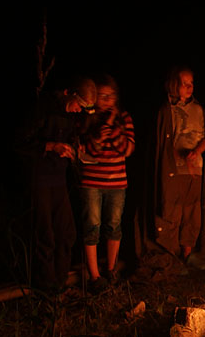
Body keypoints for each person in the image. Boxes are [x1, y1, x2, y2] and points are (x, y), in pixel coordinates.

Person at [19, 76, 96, 292]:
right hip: (39, 177)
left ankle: (60, 282)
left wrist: (75, 147)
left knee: (66, 231)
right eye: (77, 106)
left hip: (58, 178)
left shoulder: (69, 115)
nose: (77, 111)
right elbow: (20, 142)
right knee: (45, 234)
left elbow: (70, 136)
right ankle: (46, 287)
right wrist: (52, 146)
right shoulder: (43, 107)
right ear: (69, 93)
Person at [154, 66, 205, 269]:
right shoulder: (166, 110)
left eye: (191, 83)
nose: (189, 87)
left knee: (192, 213)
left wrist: (197, 152)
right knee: (172, 212)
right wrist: (179, 156)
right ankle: (172, 255)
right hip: (174, 171)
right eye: (184, 84)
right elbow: (163, 143)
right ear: (174, 85)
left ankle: (188, 253)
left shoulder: (199, 110)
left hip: (196, 170)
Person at [78, 74, 134, 289]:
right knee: (92, 226)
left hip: (117, 182)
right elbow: (90, 151)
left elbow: (127, 149)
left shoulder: (125, 118)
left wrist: (112, 128)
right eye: (102, 96)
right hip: (92, 182)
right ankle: (94, 275)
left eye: (111, 96)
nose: (107, 101)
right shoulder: (87, 118)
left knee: (114, 225)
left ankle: (110, 270)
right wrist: (99, 136)